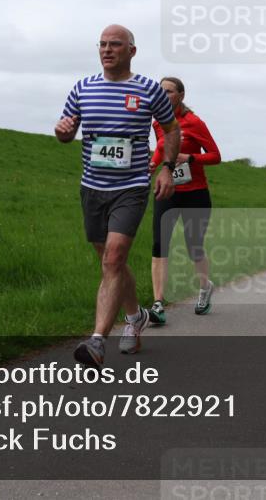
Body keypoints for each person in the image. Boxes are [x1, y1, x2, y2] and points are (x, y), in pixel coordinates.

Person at [56, 25, 182, 369]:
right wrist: (62, 131)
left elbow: (172, 130)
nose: (107, 50)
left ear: (131, 51)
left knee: (113, 259)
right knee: (110, 261)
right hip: (92, 187)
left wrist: (167, 167)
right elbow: (66, 129)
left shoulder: (147, 90)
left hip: (131, 187)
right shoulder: (83, 88)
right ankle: (135, 315)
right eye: (102, 44)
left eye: (115, 45)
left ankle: (97, 341)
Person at [148, 77, 221, 324]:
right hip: (167, 190)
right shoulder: (158, 122)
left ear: (180, 95)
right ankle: (158, 303)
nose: (163, 95)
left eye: (167, 91)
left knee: (194, 246)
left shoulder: (194, 122)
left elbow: (215, 156)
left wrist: (190, 158)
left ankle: (204, 287)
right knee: (159, 243)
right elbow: (161, 147)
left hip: (195, 192)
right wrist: (153, 164)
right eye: (160, 91)